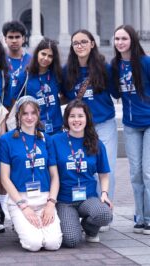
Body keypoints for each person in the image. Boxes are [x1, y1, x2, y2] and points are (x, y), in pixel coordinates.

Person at [62, 29, 118, 206]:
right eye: (76, 43)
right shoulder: (67, 71)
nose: (80, 46)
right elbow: (64, 95)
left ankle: (104, 207)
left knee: (107, 168)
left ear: (92, 44)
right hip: (80, 127)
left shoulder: (104, 68)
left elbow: (116, 92)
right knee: (83, 168)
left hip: (104, 123)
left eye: (84, 42)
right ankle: (87, 208)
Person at [0, 96, 62, 251]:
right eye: (25, 113)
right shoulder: (7, 140)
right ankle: (22, 224)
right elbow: (4, 178)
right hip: (20, 200)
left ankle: (36, 226)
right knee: (34, 244)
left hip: (44, 199)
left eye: (33, 113)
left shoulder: (46, 139)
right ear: (18, 116)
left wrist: (50, 203)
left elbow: (54, 176)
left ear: (38, 113)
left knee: (53, 244)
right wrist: (23, 206)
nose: (29, 117)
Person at [52, 99, 113, 247]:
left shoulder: (96, 143)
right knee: (72, 240)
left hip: (88, 197)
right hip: (65, 200)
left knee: (105, 214)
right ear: (67, 119)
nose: (76, 120)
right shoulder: (55, 141)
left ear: (87, 118)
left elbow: (103, 173)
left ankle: (89, 228)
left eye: (80, 116)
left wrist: (104, 193)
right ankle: (72, 224)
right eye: (72, 116)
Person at [111, 25, 150, 234]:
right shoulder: (115, 66)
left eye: (123, 38)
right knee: (135, 173)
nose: (119, 43)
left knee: (148, 172)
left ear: (132, 40)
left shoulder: (145, 62)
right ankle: (140, 217)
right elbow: (113, 92)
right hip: (130, 124)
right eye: (117, 39)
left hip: (149, 122)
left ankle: (149, 217)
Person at [12, 38, 63, 134]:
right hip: (34, 130)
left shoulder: (57, 75)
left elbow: (63, 96)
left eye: (50, 56)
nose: (46, 58)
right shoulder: (24, 77)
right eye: (43, 54)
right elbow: (15, 102)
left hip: (57, 129)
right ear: (37, 54)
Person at [2, 21, 32, 88]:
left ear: (23, 39)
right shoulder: (0, 60)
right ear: (5, 39)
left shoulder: (31, 60)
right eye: (10, 37)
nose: (14, 41)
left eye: (17, 37)